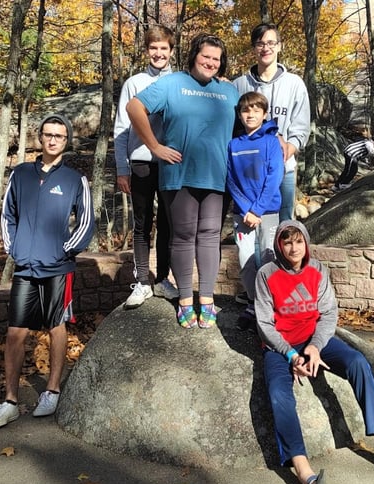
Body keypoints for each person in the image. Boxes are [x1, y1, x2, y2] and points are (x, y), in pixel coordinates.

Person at [255, 220, 374, 484]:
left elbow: (329, 314)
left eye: (298, 241)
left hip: (315, 340)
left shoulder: (317, 270)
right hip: (280, 347)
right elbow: (265, 324)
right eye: (287, 242)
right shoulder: (266, 274)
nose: (293, 248)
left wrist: (315, 348)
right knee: (279, 394)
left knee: (357, 361)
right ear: (279, 245)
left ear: (306, 242)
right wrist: (292, 356)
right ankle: (304, 472)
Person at [0, 113, 94, 430]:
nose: (52, 140)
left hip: (58, 267)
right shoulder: (20, 175)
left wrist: (64, 249)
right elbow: (8, 215)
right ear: (40, 137)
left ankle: (52, 389)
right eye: (48, 134)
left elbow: (86, 223)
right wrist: (15, 248)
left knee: (55, 327)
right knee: (15, 332)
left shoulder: (75, 180)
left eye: (59, 136)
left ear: (66, 140)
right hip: (25, 268)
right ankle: (9, 401)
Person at [126, 33, 239, 329]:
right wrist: (154, 146)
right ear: (194, 56)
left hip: (217, 176)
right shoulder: (172, 83)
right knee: (183, 236)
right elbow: (134, 108)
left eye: (216, 59)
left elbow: (249, 122)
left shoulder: (228, 92)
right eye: (206, 57)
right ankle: (185, 300)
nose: (211, 63)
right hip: (179, 175)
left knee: (211, 236)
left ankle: (207, 299)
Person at [114, 25, 179, 309]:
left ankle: (163, 278)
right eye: (153, 48)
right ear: (146, 51)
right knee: (142, 224)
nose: (158, 53)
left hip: (170, 163)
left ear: (171, 52)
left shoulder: (181, 82)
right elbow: (121, 129)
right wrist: (121, 168)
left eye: (164, 48)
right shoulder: (134, 82)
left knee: (168, 222)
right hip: (140, 161)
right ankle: (142, 281)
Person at [233, 23, 311, 223]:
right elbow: (233, 128)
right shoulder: (239, 85)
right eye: (260, 44)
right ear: (254, 48)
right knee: (250, 221)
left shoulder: (294, 84)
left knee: (283, 223)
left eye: (270, 43)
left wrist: (286, 151)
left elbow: (301, 128)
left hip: (284, 169)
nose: (265, 48)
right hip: (248, 171)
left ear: (279, 46)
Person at [226, 91, 284, 332]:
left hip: (268, 210)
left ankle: (269, 304)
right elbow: (230, 179)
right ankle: (252, 302)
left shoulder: (271, 141)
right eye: (245, 110)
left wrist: (258, 209)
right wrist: (246, 210)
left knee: (269, 257)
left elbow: (275, 176)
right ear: (239, 115)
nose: (250, 114)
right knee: (246, 259)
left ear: (264, 114)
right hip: (243, 214)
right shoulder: (233, 144)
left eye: (255, 110)